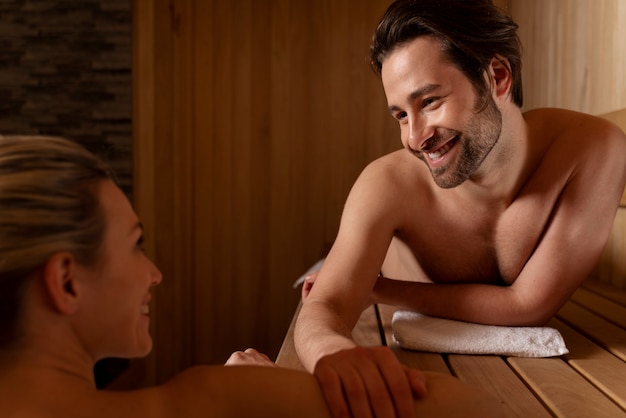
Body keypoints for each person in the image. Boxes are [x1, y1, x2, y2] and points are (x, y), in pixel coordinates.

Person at [0, 135, 505, 417]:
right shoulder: (212, 403)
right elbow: (475, 410)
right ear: (66, 281)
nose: (153, 274)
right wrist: (270, 393)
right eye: (135, 244)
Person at [294, 0, 626, 417]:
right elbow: (324, 305)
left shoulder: (593, 148)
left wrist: (378, 289)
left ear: (498, 77)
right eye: (400, 115)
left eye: (429, 102)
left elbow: (529, 306)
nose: (415, 137)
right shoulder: (386, 184)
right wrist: (333, 351)